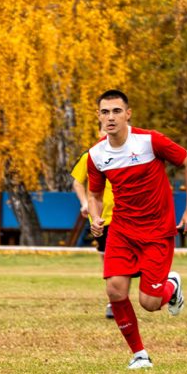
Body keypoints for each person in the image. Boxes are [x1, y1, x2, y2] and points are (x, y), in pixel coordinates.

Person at [86, 89, 187, 369]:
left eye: (116, 111)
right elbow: (95, 195)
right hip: (122, 231)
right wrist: (95, 217)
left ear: (128, 114)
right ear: (98, 116)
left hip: (157, 231)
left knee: (149, 302)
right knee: (114, 290)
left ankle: (170, 286)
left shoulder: (150, 141)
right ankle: (139, 354)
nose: (110, 117)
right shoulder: (96, 155)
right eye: (104, 112)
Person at [71, 132, 115, 319]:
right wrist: (85, 203)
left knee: (128, 258)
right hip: (101, 218)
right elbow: (77, 182)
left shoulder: (131, 155)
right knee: (108, 260)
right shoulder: (91, 155)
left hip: (127, 216)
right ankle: (114, 301)